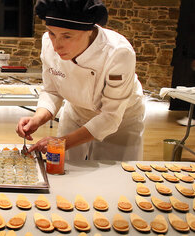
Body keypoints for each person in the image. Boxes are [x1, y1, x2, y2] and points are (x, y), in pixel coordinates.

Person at [16, 0, 145, 161]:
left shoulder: (118, 53)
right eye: (52, 33)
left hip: (121, 120)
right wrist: (37, 118)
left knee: (112, 177)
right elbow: (52, 91)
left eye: (67, 36)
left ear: (90, 31)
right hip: (76, 113)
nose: (56, 46)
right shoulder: (48, 43)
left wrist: (62, 142)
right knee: (65, 169)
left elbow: (110, 117)